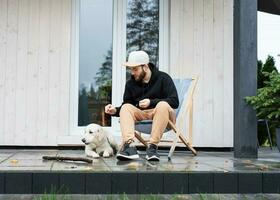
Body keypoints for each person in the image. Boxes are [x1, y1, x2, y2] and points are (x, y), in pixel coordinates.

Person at [104, 50, 179, 161]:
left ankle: (152, 147)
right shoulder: (130, 83)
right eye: (131, 69)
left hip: (163, 116)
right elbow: (127, 105)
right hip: (142, 115)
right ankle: (130, 147)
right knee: (126, 107)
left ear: (145, 66)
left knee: (162, 105)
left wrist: (152, 102)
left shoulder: (163, 78)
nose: (132, 73)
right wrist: (115, 110)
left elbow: (174, 101)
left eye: (135, 69)